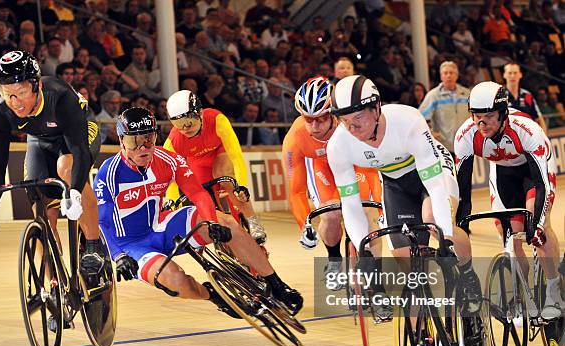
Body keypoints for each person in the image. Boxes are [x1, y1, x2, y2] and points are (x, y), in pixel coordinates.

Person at [94, 107, 303, 316]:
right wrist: (118, 255)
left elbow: (198, 193)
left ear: (156, 136)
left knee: (227, 223)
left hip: (161, 226)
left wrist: (212, 222)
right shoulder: (108, 173)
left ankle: (277, 285)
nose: (143, 148)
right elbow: (101, 223)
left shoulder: (168, 159)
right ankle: (212, 294)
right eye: (133, 142)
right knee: (176, 281)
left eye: (148, 139)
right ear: (121, 140)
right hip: (131, 245)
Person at [327, 75, 482, 314]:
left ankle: (469, 273)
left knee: (433, 222)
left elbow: (435, 186)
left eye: (358, 117)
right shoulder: (338, 145)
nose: (352, 128)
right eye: (344, 121)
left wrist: (446, 238)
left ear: (377, 108)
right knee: (402, 256)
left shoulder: (407, 120)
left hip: (431, 172)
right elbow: (350, 204)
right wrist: (363, 250)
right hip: (394, 182)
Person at [0, 50, 106, 278]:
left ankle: (94, 247)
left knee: (67, 165)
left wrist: (74, 191)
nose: (15, 102)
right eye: (7, 94)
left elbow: (79, 150)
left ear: (36, 85)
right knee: (41, 215)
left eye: (21, 92)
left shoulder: (59, 95)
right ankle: (55, 289)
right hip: (40, 142)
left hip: (79, 132)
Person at [455, 81, 562, 319]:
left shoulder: (526, 129)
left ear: (503, 113)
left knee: (539, 230)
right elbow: (462, 192)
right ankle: (524, 296)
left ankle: (555, 289)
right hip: (502, 174)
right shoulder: (466, 136)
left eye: (489, 116)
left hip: (533, 173)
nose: (482, 124)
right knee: (511, 241)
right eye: (476, 117)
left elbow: (541, 183)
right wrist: (460, 228)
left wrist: (538, 224)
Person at [282, 77, 388, 316]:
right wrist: (305, 226)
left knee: (366, 218)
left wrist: (379, 208)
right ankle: (333, 260)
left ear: (332, 113)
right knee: (330, 213)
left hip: (355, 164)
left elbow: (372, 170)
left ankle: (377, 285)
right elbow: (296, 191)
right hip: (322, 166)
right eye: (308, 119)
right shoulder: (296, 138)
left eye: (321, 118)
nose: (315, 126)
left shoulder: (349, 126)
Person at [163, 90, 267, 243]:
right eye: (178, 124)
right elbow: (170, 179)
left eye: (189, 121)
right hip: (197, 161)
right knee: (200, 193)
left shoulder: (217, 119)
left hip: (219, 152)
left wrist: (241, 185)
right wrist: (172, 202)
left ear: (200, 113)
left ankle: (252, 220)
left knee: (225, 178)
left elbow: (236, 155)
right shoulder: (172, 142)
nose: (185, 128)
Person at [419, 61, 470, 155]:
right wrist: (430, 133)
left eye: (451, 73)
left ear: (457, 75)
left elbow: (476, 116)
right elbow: (420, 117)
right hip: (444, 147)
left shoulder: (467, 94)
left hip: (466, 145)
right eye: (445, 73)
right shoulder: (433, 95)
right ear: (441, 76)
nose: (448, 75)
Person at [503, 63, 548, 132]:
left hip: (527, 137)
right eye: (509, 73)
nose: (512, 76)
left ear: (520, 75)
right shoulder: (499, 96)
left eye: (515, 73)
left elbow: (539, 119)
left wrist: (544, 137)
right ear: (504, 75)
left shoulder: (527, 96)